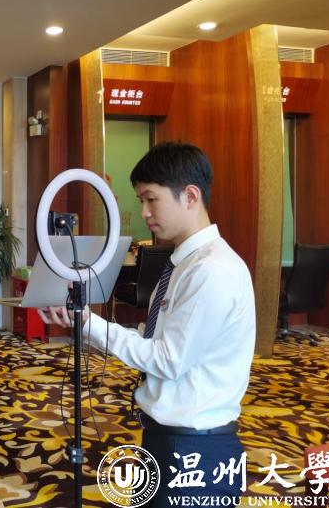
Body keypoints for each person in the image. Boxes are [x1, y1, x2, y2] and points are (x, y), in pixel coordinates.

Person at [39, 142, 255, 506]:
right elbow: (152, 338)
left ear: (190, 196)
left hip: (196, 448)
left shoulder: (211, 271)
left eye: (151, 199)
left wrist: (91, 323)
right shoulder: (183, 264)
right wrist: (84, 321)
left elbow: (168, 360)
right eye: (141, 200)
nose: (144, 212)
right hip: (168, 436)